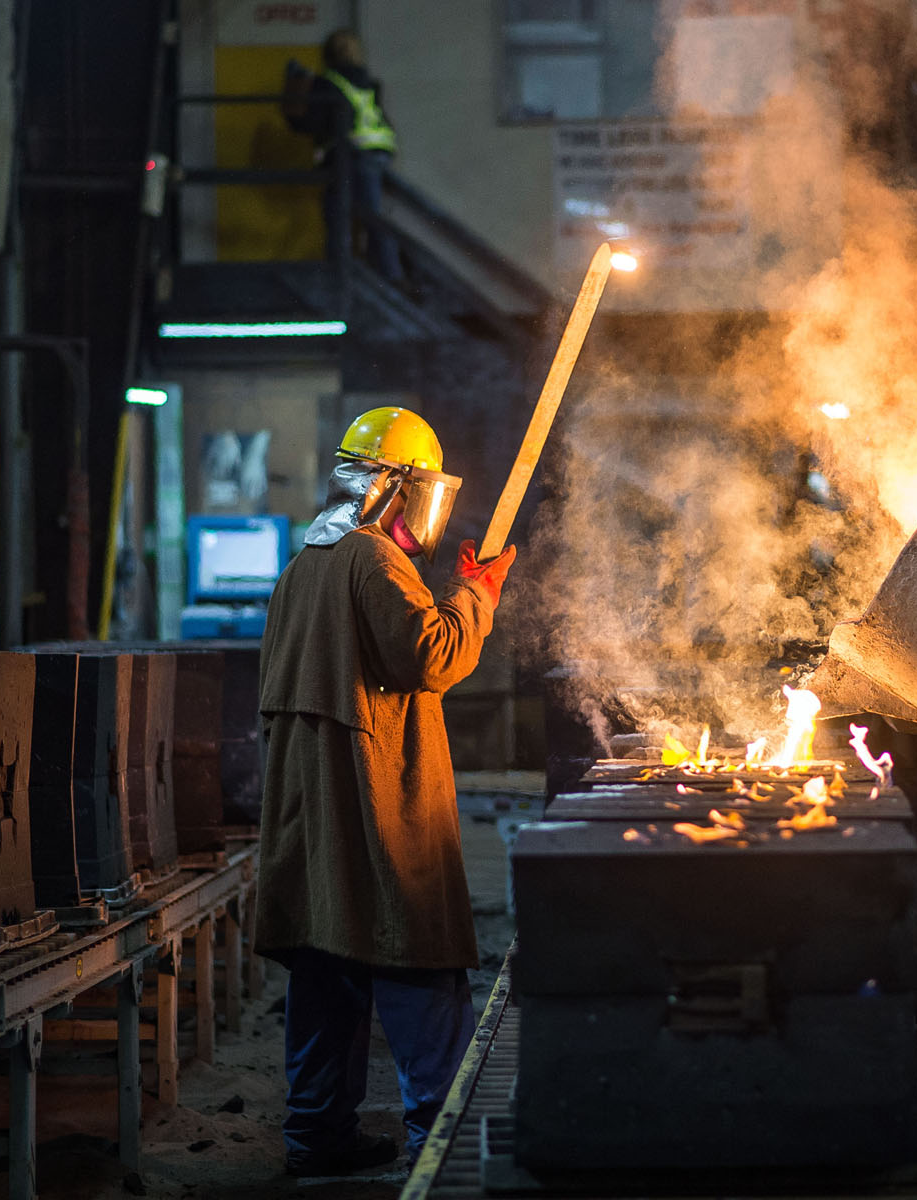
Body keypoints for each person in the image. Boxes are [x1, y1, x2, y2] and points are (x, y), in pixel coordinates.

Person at [254, 407, 516, 1176]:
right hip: (374, 804)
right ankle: (446, 1139)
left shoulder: (307, 559)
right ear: (397, 488)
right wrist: (476, 596)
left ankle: (317, 1139)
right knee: (414, 957)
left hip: (314, 811)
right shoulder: (373, 559)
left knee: (325, 961)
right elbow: (428, 657)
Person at [283, 29, 405, 287]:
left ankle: (343, 278)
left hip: (352, 157)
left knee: (338, 216)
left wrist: (293, 93)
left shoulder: (329, 82)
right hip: (379, 152)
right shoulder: (366, 81)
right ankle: (387, 276)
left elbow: (312, 123)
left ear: (327, 54)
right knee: (373, 217)